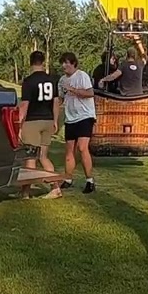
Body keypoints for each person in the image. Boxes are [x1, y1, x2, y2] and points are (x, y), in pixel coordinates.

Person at [18, 50, 62, 199]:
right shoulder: (52, 80)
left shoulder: (28, 81)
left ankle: (25, 192)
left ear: (30, 63)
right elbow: (56, 102)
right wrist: (55, 120)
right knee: (44, 156)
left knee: (30, 158)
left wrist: (19, 123)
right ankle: (55, 187)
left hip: (32, 122)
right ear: (43, 62)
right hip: (48, 120)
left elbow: (24, 105)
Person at [57, 52, 97, 194]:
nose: (64, 66)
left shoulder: (82, 76)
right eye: (62, 63)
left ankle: (90, 181)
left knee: (82, 147)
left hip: (85, 116)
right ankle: (68, 179)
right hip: (70, 117)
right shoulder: (61, 80)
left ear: (73, 63)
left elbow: (90, 93)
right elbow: (60, 99)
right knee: (69, 150)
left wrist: (73, 89)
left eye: (67, 63)